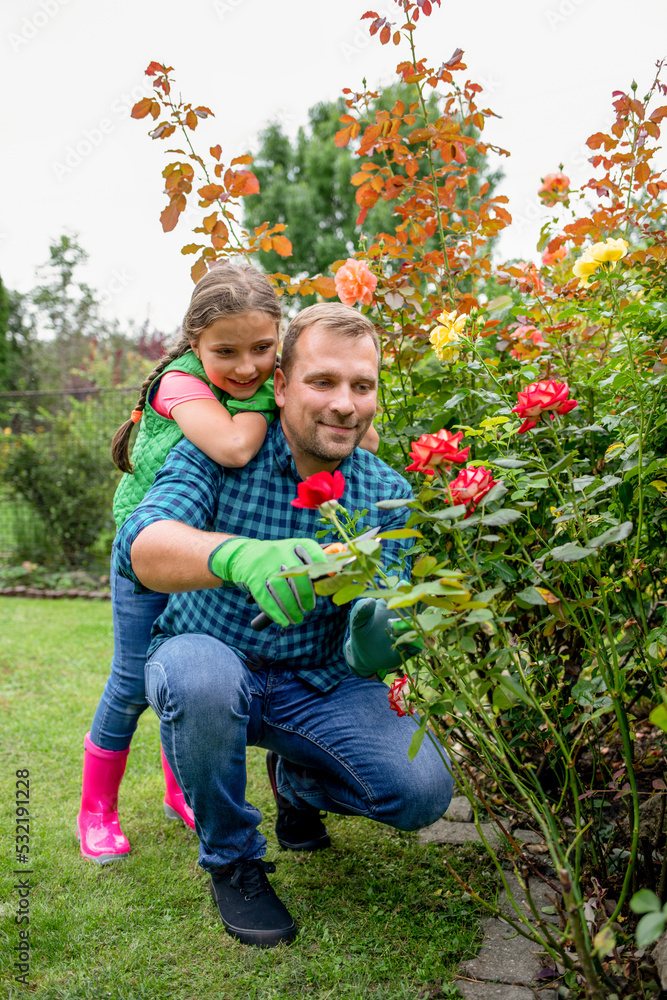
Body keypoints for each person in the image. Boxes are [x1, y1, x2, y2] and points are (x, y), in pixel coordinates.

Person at [114, 302, 453, 947]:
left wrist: (384, 630)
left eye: (363, 385)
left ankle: (296, 781)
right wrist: (236, 555)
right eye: (323, 382)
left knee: (423, 793)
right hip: (213, 660)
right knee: (198, 677)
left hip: (319, 683)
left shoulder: (387, 493)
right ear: (280, 386)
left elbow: (386, 625)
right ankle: (235, 861)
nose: (346, 404)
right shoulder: (216, 457)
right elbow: (141, 545)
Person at [80, 265, 283, 862]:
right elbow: (233, 445)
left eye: (263, 349)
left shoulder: (249, 376)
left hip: (204, 557)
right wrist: (280, 389)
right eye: (226, 351)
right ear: (195, 343)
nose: (246, 366)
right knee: (133, 680)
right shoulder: (179, 384)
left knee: (185, 674)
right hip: (150, 556)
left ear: (279, 337)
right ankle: (97, 810)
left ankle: (181, 789)